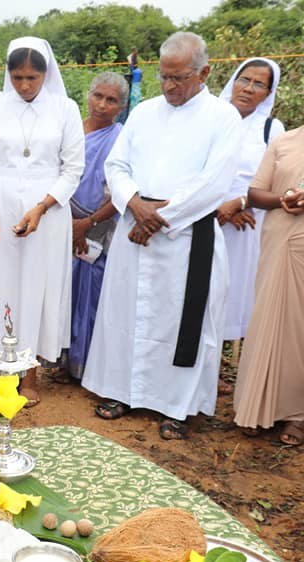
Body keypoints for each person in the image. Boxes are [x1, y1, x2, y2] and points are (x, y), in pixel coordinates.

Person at [83, 32, 242, 440]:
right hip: (135, 225)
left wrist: (158, 218)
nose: (169, 86)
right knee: (126, 313)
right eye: (164, 76)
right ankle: (121, 391)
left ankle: (176, 406)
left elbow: (215, 181)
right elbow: (117, 166)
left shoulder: (222, 117)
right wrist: (135, 204)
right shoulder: (144, 112)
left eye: (179, 78)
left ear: (204, 73)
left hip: (185, 235)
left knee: (178, 321)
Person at [0, 37, 84, 407]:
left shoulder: (64, 109)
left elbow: (73, 168)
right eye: (17, 78)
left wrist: (43, 207)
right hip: (1, 203)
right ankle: (0, 370)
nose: (25, 86)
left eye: (32, 78)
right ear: (8, 75)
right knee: (2, 283)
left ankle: (29, 374)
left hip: (49, 210)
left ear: (46, 74)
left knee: (36, 286)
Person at [232, 127, 304, 446]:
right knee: (268, 320)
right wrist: (283, 198)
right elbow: (255, 194)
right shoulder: (285, 141)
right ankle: (258, 407)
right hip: (278, 239)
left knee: (299, 328)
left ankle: (298, 415)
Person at [216, 58, 283, 382]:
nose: (248, 88)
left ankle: (220, 368)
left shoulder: (272, 129)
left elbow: (275, 180)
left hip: (246, 225)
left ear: (268, 92)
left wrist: (241, 203)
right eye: (244, 80)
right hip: (206, 218)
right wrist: (219, 205)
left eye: (259, 84)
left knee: (235, 294)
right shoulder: (212, 118)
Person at [62, 71, 125, 381]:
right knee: (62, 291)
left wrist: (87, 224)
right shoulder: (69, 130)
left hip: (99, 226)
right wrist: (68, 223)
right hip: (60, 219)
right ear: (88, 95)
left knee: (91, 293)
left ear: (121, 107)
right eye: (98, 96)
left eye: (111, 100)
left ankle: (84, 365)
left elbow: (123, 190)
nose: (101, 104)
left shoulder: (122, 139)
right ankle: (58, 360)